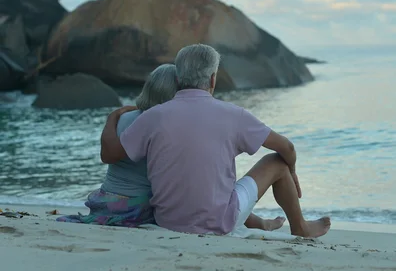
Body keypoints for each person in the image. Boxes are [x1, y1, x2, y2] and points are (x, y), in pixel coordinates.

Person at [100, 44, 331, 237]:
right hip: (220, 222)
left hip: (167, 222)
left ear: (179, 78)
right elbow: (287, 147)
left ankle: (271, 223)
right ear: (212, 79)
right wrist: (292, 171)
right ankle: (300, 226)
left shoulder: (153, 116)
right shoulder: (234, 115)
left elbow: (110, 154)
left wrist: (114, 116)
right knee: (276, 161)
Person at [59, 63, 283, 231]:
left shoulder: (126, 118)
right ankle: (260, 223)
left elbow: (107, 154)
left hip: (105, 201)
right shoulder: (163, 127)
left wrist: (112, 117)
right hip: (138, 209)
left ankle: (259, 222)